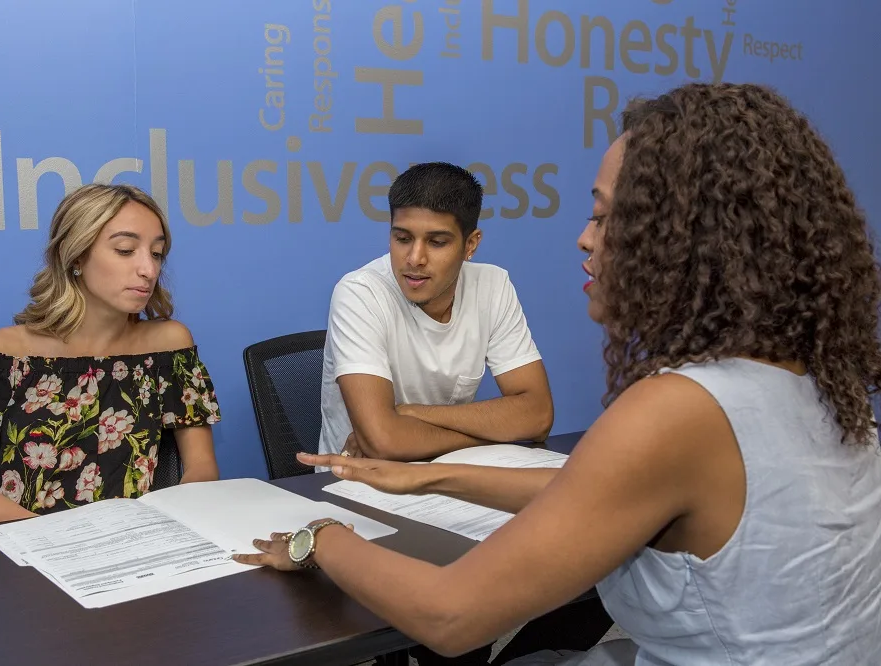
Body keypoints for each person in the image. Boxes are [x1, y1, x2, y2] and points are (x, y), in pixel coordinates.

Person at [235, 82, 881, 665]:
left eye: (603, 215)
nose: (583, 238)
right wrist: (429, 475)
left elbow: (449, 613)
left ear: (681, 237)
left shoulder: (678, 409)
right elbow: (589, 489)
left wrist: (320, 538)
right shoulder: (820, 385)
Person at [0, 183, 222, 527]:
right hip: (20, 547)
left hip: (130, 546)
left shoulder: (170, 345)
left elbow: (202, 468)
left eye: (157, 253)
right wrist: (66, 541)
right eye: (125, 250)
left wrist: (163, 527)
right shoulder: (4, 353)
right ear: (75, 256)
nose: (148, 269)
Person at [319, 161, 555, 463]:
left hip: (450, 477)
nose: (415, 258)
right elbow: (383, 442)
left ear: (471, 244)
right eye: (402, 239)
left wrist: (411, 414)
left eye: (437, 242)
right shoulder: (359, 293)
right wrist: (488, 433)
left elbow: (537, 415)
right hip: (360, 484)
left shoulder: (493, 285)